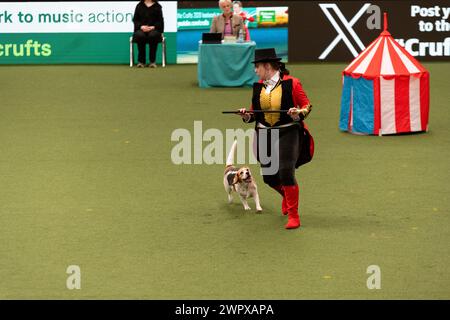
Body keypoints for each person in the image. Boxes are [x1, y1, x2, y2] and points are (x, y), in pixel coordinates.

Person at [237, 48, 314, 230]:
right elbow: (254, 113)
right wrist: (245, 115)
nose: (255, 71)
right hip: (264, 133)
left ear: (267, 66)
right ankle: (286, 197)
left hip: (288, 131)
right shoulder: (259, 86)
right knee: (269, 178)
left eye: (257, 67)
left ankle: (294, 215)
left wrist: (297, 113)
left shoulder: (292, 83)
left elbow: (306, 106)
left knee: (286, 171)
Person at [132, 0, 164, 68]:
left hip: (154, 29)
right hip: (141, 29)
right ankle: (141, 62)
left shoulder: (157, 6)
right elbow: (135, 19)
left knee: (153, 35)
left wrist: (153, 27)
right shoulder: (139, 6)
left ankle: (152, 62)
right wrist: (141, 26)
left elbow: (160, 21)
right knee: (140, 35)